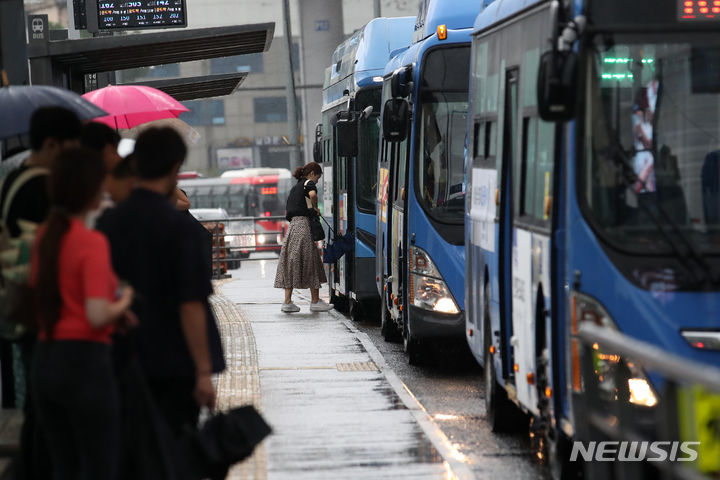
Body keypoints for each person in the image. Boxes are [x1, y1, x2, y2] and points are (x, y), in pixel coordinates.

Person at [97, 127, 224, 437]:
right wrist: (204, 372)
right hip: (175, 364)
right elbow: (190, 304)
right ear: (175, 166)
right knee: (176, 452)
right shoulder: (178, 228)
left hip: (121, 358)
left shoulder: (108, 223)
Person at [30, 146, 135, 480]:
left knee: (64, 464)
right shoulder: (91, 242)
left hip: (46, 357)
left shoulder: (45, 236)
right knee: (99, 464)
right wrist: (125, 301)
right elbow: (95, 315)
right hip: (86, 363)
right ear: (88, 190)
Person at [274, 162, 333, 313]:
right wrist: (315, 207)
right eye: (318, 178)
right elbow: (313, 195)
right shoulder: (308, 183)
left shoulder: (295, 187)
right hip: (303, 227)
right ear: (312, 173)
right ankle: (315, 301)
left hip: (293, 227)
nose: (317, 181)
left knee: (291, 262)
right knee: (311, 261)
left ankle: (287, 302)